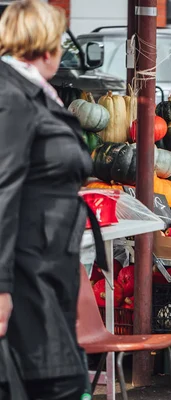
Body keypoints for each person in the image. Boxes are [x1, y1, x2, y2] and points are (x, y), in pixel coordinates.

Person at [0, 1, 104, 398]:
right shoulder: (11, 95)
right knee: (56, 383)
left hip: (45, 266)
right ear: (48, 45)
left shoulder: (30, 90)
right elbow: (2, 185)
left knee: (55, 380)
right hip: (26, 272)